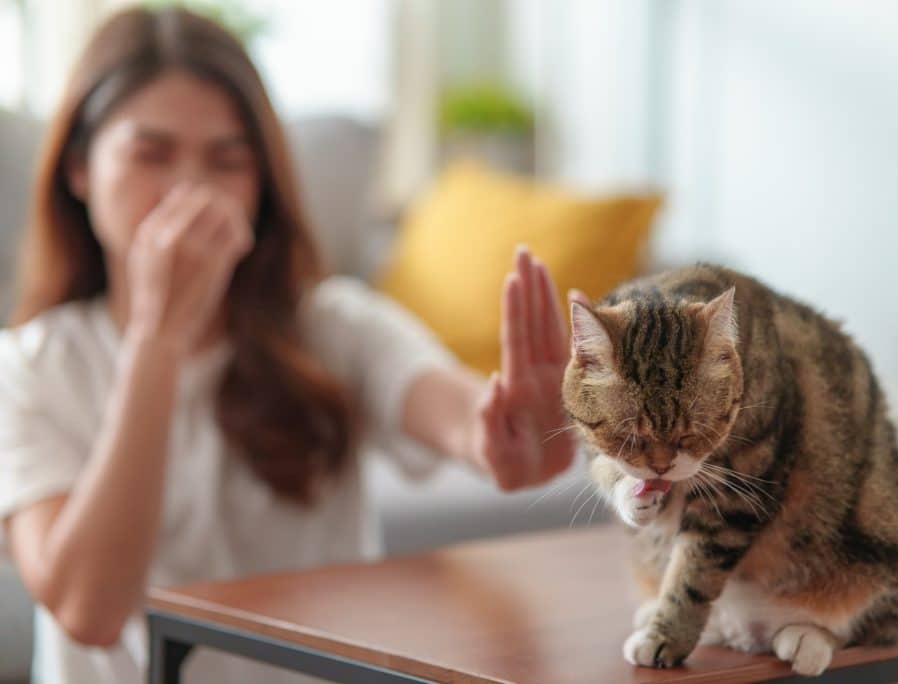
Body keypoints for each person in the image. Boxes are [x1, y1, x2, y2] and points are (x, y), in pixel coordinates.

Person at [0, 7, 576, 683]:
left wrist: (513, 434)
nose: (191, 189)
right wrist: (158, 340)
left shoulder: (333, 327)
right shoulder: (28, 367)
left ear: (261, 187)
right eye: (151, 154)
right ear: (79, 170)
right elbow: (86, 607)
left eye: (226, 160)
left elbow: (458, 414)